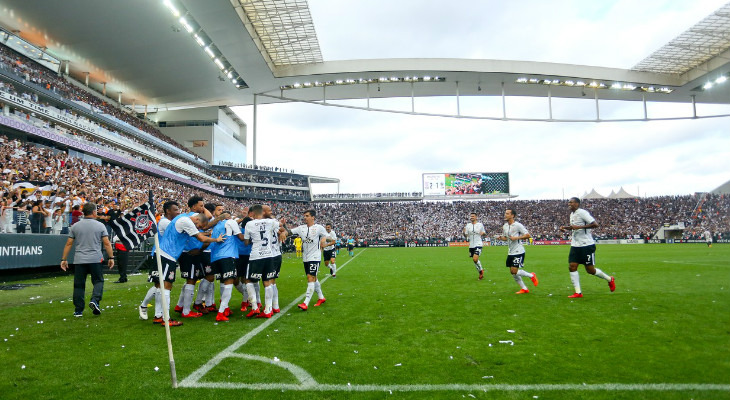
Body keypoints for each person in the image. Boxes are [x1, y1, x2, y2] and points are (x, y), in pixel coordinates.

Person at [153, 211, 225, 327]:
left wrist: (207, 233)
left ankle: (158, 316)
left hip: (165, 254)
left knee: (161, 285)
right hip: (167, 254)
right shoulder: (186, 221)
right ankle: (165, 318)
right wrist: (216, 239)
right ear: (197, 220)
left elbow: (201, 234)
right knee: (166, 286)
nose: (197, 228)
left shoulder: (182, 218)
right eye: (199, 226)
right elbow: (201, 238)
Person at [60, 202, 115, 317]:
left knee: (79, 285)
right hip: (95, 258)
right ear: (94, 212)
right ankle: (95, 300)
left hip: (80, 259)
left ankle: (78, 310)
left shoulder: (76, 226)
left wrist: (64, 259)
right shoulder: (100, 225)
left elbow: (69, 243)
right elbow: (106, 243)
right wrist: (111, 257)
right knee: (98, 281)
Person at [559, 197, 615, 298]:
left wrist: (579, 227)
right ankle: (578, 292)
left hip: (586, 245)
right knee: (572, 266)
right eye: (569, 203)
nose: (569, 204)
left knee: (590, 270)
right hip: (575, 245)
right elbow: (574, 228)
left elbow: (595, 224)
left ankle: (610, 279)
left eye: (571, 202)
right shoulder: (572, 214)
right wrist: (565, 228)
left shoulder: (583, 212)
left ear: (577, 204)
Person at [282, 209, 335, 311]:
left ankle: (305, 302)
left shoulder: (318, 228)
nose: (305, 218)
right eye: (304, 216)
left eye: (307, 216)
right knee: (313, 278)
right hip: (305, 257)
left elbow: (326, 236)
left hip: (315, 257)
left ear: (312, 217)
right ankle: (321, 298)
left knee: (310, 277)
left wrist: (323, 241)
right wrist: (284, 226)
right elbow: (289, 232)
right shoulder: (301, 228)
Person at [138, 200, 179, 322]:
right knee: (162, 285)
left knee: (160, 285)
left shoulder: (167, 222)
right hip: (161, 255)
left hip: (162, 254)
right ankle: (145, 306)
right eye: (175, 209)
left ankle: (157, 314)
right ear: (168, 211)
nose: (178, 212)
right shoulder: (166, 223)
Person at [208, 210, 245, 322]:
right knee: (229, 282)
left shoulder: (216, 226)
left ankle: (225, 308)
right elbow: (241, 238)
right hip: (227, 255)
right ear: (228, 216)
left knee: (223, 283)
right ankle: (220, 313)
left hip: (215, 257)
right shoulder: (230, 222)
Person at [242, 204, 278, 318]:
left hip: (256, 256)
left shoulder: (249, 224)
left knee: (248, 280)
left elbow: (246, 242)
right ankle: (268, 310)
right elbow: (279, 225)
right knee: (267, 282)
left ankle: (254, 307)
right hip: (269, 254)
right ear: (262, 212)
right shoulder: (270, 222)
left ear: (252, 213)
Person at [496, 208, 538, 294]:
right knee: (513, 272)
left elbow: (528, 235)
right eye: (505, 213)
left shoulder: (518, 225)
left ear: (512, 215)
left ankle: (531, 275)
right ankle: (524, 288)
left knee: (514, 271)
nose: (505, 215)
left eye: (507, 213)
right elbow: (505, 238)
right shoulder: (505, 226)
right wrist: (501, 238)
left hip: (519, 251)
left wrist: (517, 238)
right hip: (510, 251)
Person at [463, 212, 487, 280]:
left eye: (473, 216)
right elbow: (466, 235)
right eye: (471, 216)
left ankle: (481, 271)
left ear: (476, 217)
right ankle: (480, 272)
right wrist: (463, 232)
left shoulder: (480, 225)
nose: (471, 217)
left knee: (475, 258)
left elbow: (484, 233)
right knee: (474, 260)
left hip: (478, 244)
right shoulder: (468, 225)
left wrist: (483, 233)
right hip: (471, 245)